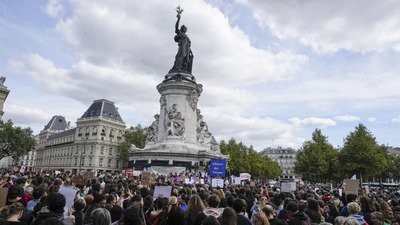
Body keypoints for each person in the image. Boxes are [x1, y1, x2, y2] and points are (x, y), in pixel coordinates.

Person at [169, 10, 193, 74]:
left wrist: (191, 51)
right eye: (183, 28)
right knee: (181, 56)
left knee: (186, 59)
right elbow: (176, 27)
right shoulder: (180, 33)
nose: (185, 29)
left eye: (185, 28)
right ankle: (177, 68)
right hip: (182, 48)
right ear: (182, 29)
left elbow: (188, 45)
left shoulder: (187, 37)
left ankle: (184, 69)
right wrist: (178, 19)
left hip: (187, 49)